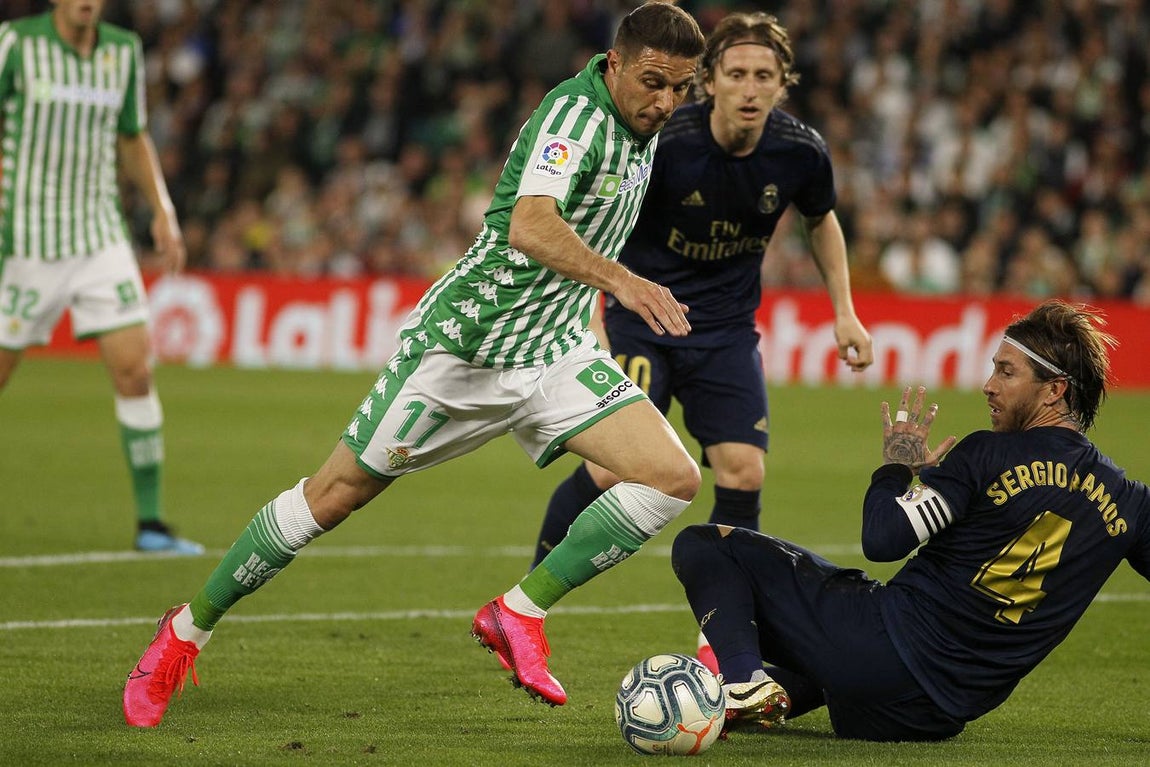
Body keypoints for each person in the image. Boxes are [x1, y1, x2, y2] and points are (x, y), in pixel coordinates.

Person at [122, 2, 706, 728]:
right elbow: (529, 224)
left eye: (681, 88)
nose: (666, 102)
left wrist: (587, 312)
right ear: (614, 63)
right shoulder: (575, 120)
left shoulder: (643, 122)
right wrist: (618, 280)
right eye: (654, 82)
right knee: (332, 496)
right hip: (463, 349)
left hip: (551, 349)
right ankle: (185, 630)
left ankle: (517, 612)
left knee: (673, 476)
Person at [528, 11, 873, 670]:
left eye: (764, 76)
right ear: (708, 81)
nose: (750, 87)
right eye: (736, 73)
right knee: (610, 465)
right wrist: (595, 309)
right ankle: (532, 598)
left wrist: (845, 311)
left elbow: (821, 221)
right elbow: (597, 216)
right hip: (643, 318)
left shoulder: (800, 151)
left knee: (745, 469)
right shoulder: (667, 142)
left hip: (724, 332)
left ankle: (724, 635)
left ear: (782, 85)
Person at [671, 300, 1150, 740]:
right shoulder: (1129, 502)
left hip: (881, 653)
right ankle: (730, 706)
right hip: (930, 715)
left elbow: (883, 540)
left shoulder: (986, 455)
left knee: (705, 545)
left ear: (1055, 390)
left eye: (1006, 372)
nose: (988, 385)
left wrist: (895, 468)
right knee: (835, 649)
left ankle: (740, 683)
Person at [0, 1, 200, 554]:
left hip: (98, 237)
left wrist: (162, 209)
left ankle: (152, 525)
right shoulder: (16, 46)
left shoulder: (122, 52)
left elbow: (133, 136)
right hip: (25, 241)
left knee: (135, 370)